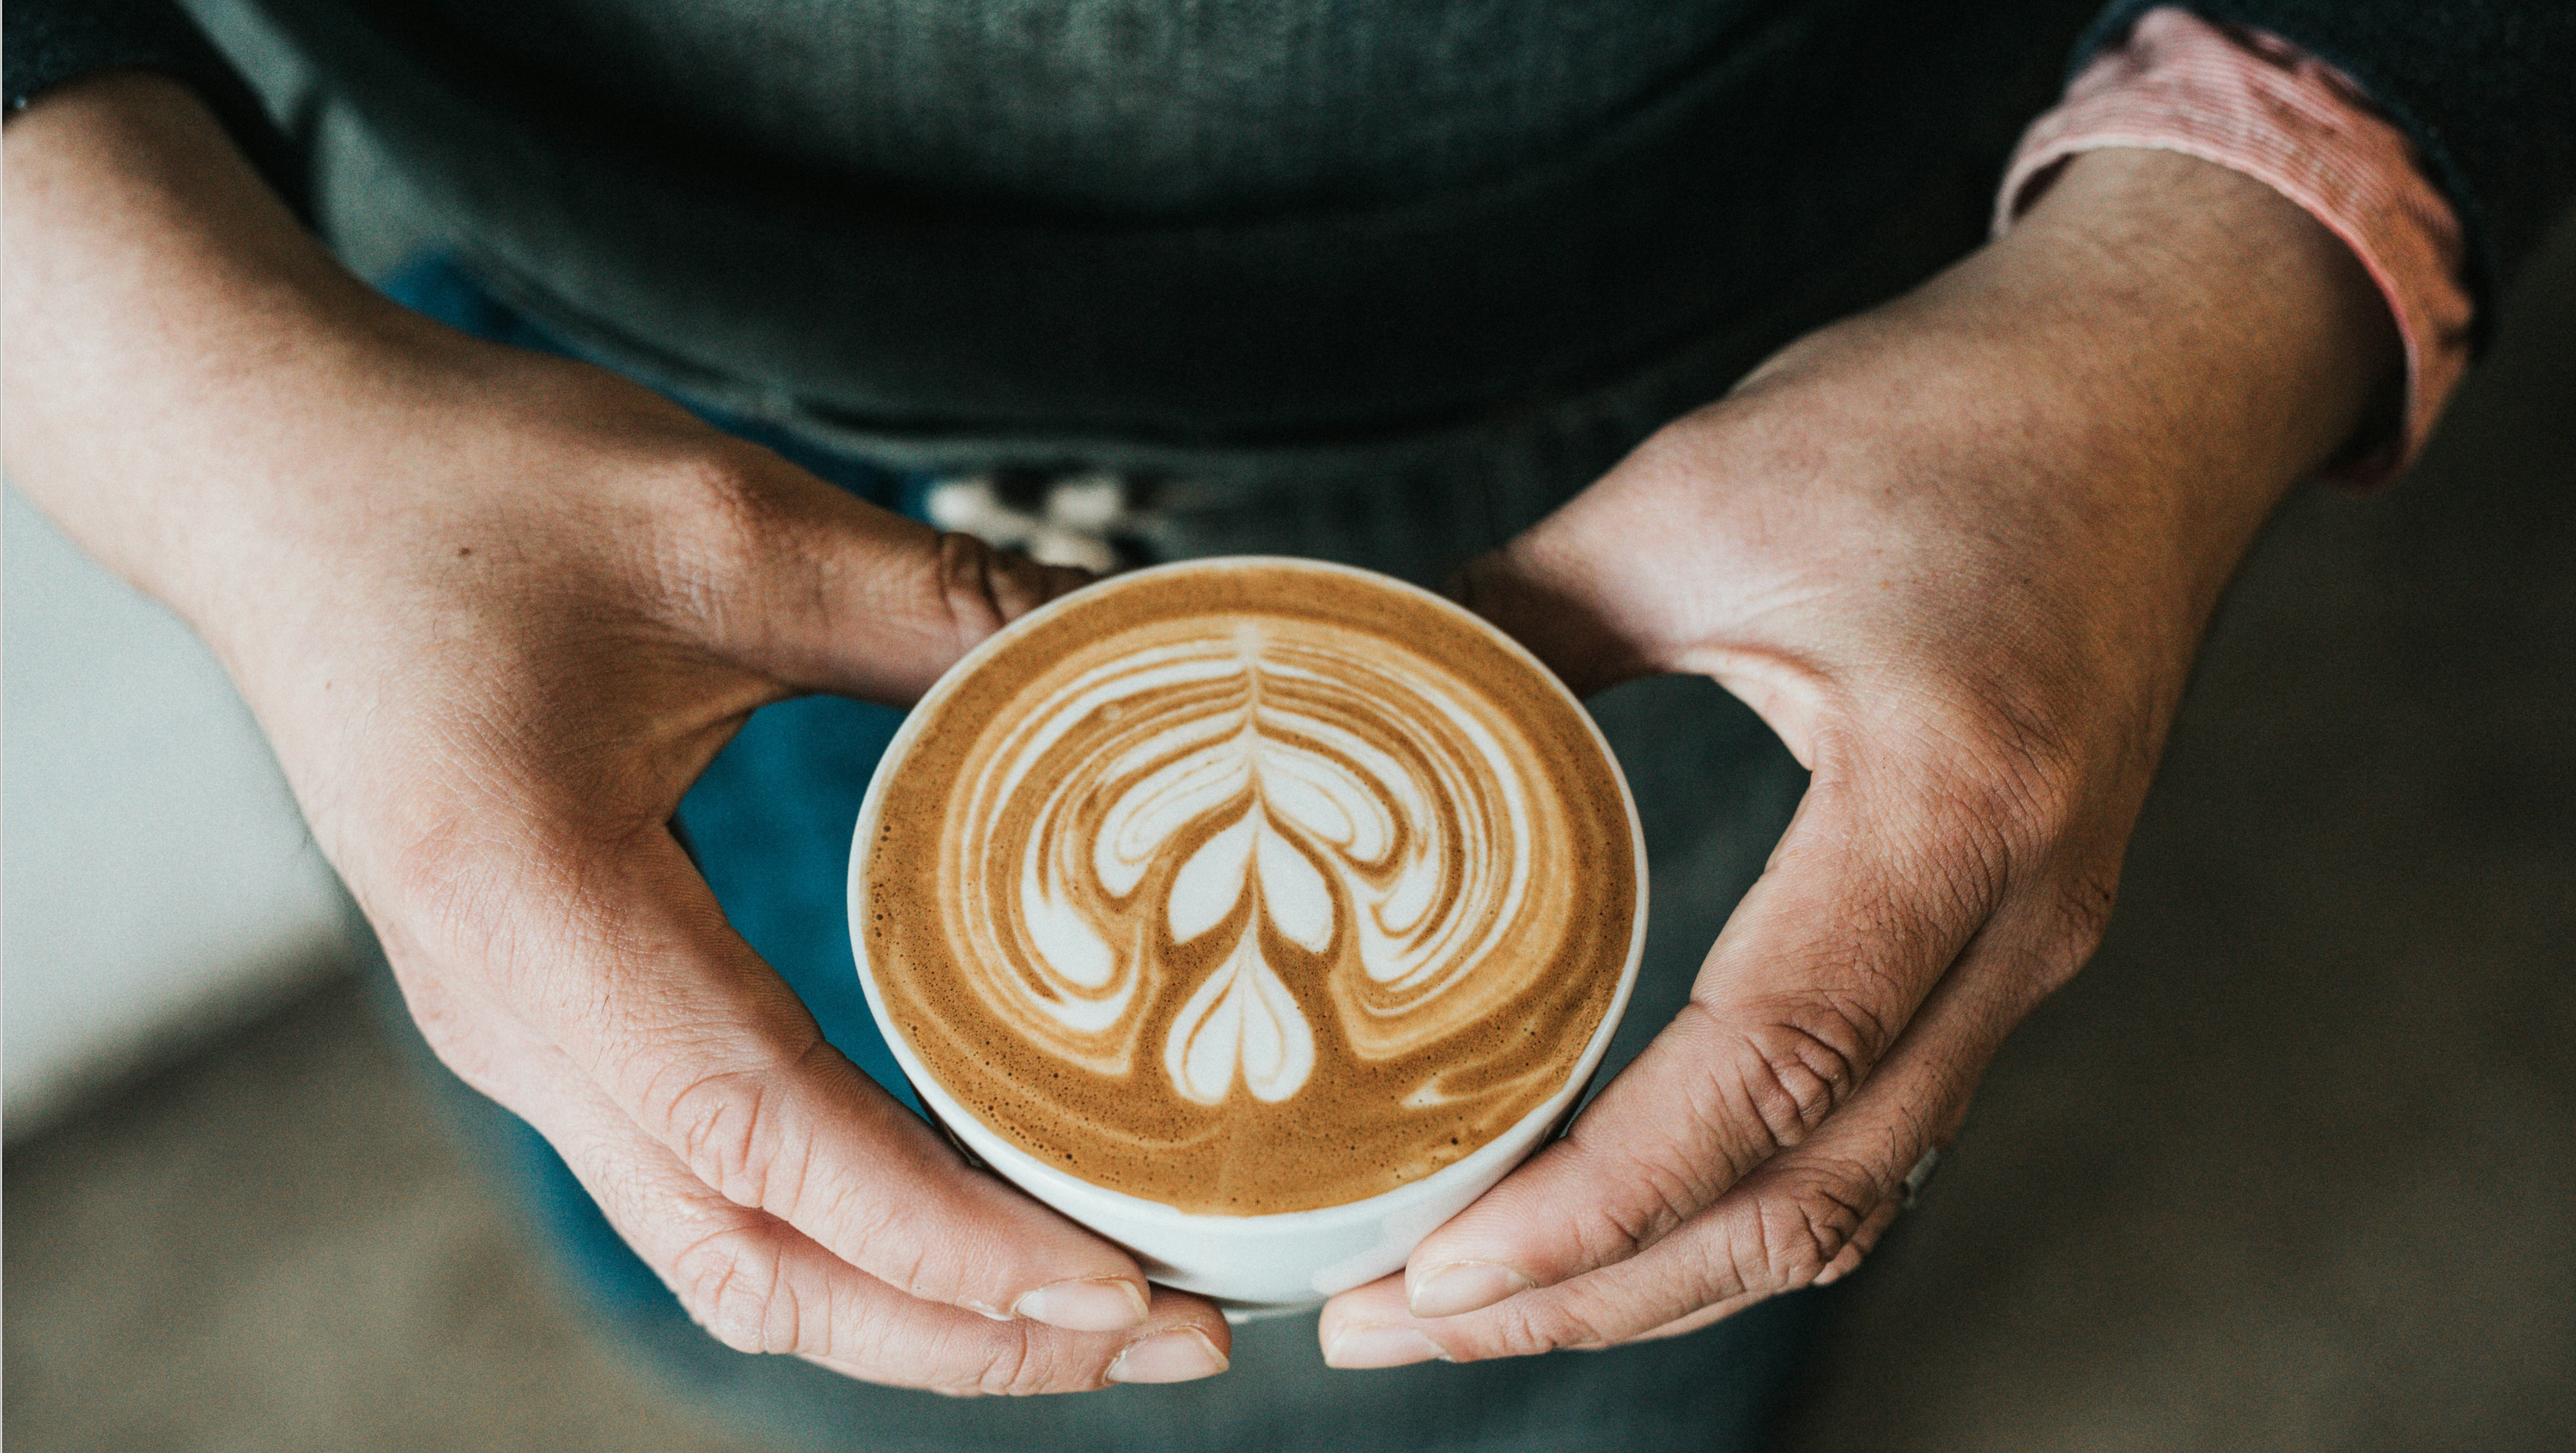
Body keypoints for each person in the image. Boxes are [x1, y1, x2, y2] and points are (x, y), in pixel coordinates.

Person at [6, 2, 2569, 1449]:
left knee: (1613, 1321)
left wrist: (2247, 232)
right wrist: (170, 379)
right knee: (796, 1297)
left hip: (1761, 400)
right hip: (520, 418)